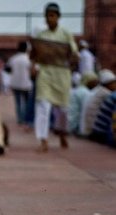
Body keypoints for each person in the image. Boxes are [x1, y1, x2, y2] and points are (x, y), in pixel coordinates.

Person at [30, 2, 78, 152]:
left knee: (63, 109)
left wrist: (73, 59)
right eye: (47, 16)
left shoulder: (65, 33)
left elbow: (74, 53)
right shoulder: (41, 35)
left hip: (62, 75)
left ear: (58, 17)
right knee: (43, 106)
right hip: (45, 73)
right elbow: (34, 55)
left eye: (52, 15)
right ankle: (43, 140)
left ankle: (62, 133)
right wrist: (33, 66)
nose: (50, 19)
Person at [80, 69, 116, 137]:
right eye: (114, 83)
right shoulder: (105, 93)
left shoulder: (97, 90)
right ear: (108, 84)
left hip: (88, 129)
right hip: (95, 131)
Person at [7, 41, 33, 126]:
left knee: (18, 102)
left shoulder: (13, 58)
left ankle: (19, 119)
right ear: (27, 49)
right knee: (26, 102)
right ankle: (25, 118)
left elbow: (7, 69)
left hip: (15, 82)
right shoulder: (29, 59)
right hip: (26, 83)